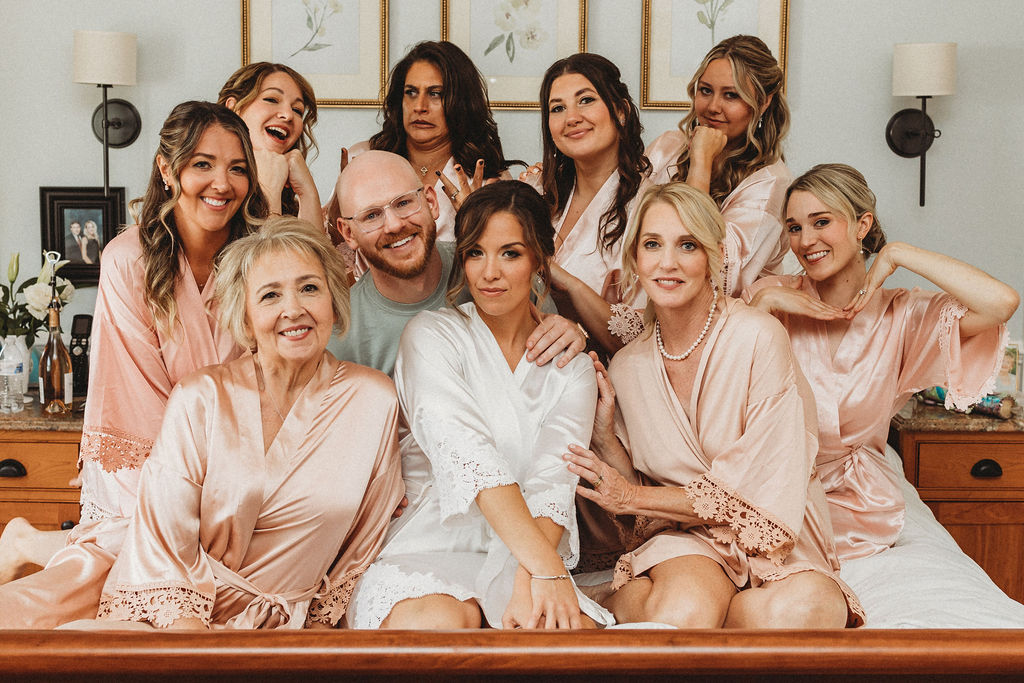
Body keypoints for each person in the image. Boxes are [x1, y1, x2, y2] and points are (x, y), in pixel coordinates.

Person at [0, 101, 267, 618]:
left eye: (238, 168)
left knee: (223, 553)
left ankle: (33, 546)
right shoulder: (129, 260)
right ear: (168, 170)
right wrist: (197, 488)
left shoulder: (259, 255)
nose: (222, 183)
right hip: (141, 445)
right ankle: (26, 559)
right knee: (166, 552)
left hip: (238, 452)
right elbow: (136, 396)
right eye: (202, 164)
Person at [563, 182, 864, 628]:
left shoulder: (758, 336)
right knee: (685, 609)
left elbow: (760, 487)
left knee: (808, 610)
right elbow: (641, 513)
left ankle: (717, 622)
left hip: (774, 531)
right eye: (652, 245)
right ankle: (607, 603)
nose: (667, 263)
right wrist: (607, 440)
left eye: (687, 245)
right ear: (635, 261)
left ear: (714, 255)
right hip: (687, 538)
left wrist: (632, 495)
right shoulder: (628, 367)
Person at [84, 218, 403, 629]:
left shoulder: (373, 400)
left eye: (310, 288)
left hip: (295, 634)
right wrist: (198, 652)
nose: (294, 309)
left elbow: (361, 546)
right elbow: (162, 543)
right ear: (245, 317)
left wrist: (317, 640)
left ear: (334, 300)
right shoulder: (200, 398)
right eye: (270, 295)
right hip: (179, 623)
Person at [348, 181, 613, 630]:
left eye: (510, 253)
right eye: (475, 253)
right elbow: (469, 457)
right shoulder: (430, 336)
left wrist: (534, 573)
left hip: (524, 550)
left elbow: (554, 484)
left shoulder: (572, 366)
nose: (489, 272)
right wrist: (546, 569)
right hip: (431, 543)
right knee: (439, 623)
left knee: (557, 632)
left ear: (538, 261)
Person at [745, 164, 1018, 560]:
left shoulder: (904, 316)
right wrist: (763, 307)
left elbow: (1001, 303)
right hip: (772, 490)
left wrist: (898, 253)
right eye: (794, 227)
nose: (806, 241)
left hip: (858, 508)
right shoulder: (769, 296)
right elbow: (724, 387)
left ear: (862, 225)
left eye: (821, 221)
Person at [327, 150, 585, 377]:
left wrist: (568, 335)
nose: (394, 224)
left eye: (404, 203)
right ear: (348, 233)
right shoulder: (340, 333)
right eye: (371, 216)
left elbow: (555, 363)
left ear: (431, 201)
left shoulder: (496, 273)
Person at [324, 40, 514, 251]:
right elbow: (333, 252)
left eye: (435, 94)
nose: (419, 107)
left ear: (461, 102)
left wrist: (474, 224)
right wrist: (339, 208)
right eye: (411, 92)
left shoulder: (485, 179)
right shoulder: (364, 156)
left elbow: (504, 263)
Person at [646, 34, 792, 300]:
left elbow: (706, 273)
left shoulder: (771, 184)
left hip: (719, 326)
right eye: (705, 91)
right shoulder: (667, 148)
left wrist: (701, 162)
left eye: (731, 95)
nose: (713, 107)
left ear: (763, 102)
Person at [522, 53, 651, 351]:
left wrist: (569, 284)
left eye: (586, 100)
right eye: (558, 108)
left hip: (603, 374)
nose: (572, 118)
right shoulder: (534, 190)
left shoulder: (650, 208)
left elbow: (643, 339)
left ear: (620, 111)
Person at [219, 62, 322, 226]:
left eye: (297, 110)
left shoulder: (289, 196)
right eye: (272, 99)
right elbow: (271, 251)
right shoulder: (214, 186)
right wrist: (271, 195)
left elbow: (316, 252)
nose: (288, 115)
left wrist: (308, 194)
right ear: (233, 108)